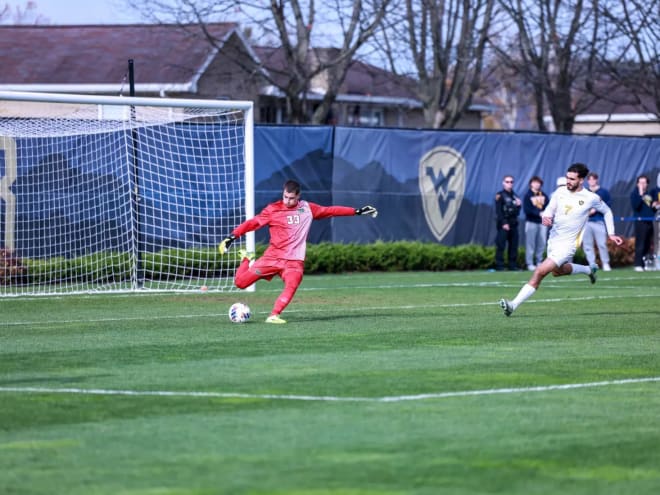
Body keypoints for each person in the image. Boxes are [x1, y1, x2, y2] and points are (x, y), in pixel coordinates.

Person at [218, 180, 378, 324]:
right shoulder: (272, 209)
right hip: (272, 258)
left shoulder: (307, 209)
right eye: (285, 197)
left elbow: (331, 210)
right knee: (240, 283)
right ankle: (246, 257)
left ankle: (274, 315)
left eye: (291, 198)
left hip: (294, 261)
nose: (287, 201)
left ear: (298, 196)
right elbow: (253, 223)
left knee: (292, 283)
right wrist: (231, 237)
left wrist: (356, 211)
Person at [499, 163, 623, 316]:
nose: (568, 181)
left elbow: (607, 211)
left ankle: (513, 305)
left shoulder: (591, 197)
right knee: (557, 272)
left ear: (581, 180)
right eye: (567, 178)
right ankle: (588, 269)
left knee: (540, 271)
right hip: (554, 240)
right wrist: (546, 217)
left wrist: (611, 233)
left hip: (568, 244)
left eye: (572, 179)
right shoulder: (560, 192)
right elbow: (549, 210)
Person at [582, 172, 613, 271]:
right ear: (587, 181)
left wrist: (596, 209)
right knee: (587, 245)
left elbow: (608, 206)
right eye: (589, 179)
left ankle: (605, 263)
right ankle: (592, 264)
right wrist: (587, 212)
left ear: (597, 180)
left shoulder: (604, 192)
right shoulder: (584, 192)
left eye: (593, 179)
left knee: (602, 244)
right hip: (586, 222)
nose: (592, 181)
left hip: (599, 222)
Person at [494, 175, 522, 270]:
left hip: (513, 223)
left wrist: (518, 206)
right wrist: (504, 223)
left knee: (513, 245)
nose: (509, 183)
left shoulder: (515, 196)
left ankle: (512, 265)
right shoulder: (500, 195)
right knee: (501, 245)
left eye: (511, 182)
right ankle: (499, 265)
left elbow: (517, 212)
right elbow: (499, 211)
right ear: (503, 183)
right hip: (503, 223)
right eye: (507, 181)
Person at [522, 176, 549, 271]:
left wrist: (545, 213)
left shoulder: (544, 195)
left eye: (538, 183)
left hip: (542, 223)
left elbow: (548, 207)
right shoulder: (527, 196)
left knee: (542, 243)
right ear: (531, 184)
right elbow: (527, 210)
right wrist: (538, 213)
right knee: (530, 244)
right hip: (531, 222)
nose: (537, 184)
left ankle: (539, 262)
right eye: (535, 182)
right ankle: (529, 263)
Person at [630, 175, 656, 271]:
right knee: (640, 244)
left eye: (644, 183)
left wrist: (654, 206)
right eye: (640, 182)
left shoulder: (649, 194)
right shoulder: (634, 194)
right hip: (640, 222)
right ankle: (638, 264)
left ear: (647, 184)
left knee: (648, 244)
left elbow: (650, 208)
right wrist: (640, 194)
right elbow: (636, 206)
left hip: (649, 222)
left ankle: (646, 264)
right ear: (637, 184)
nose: (642, 185)